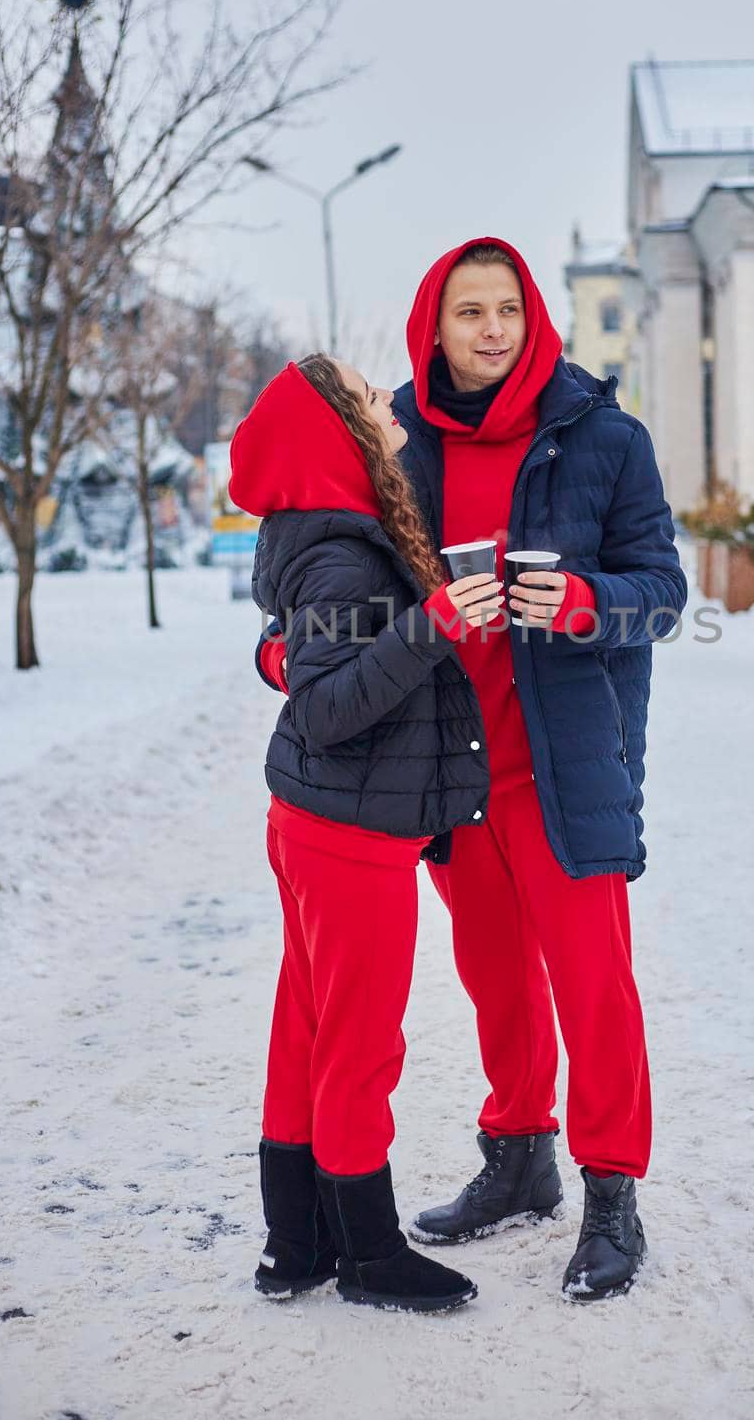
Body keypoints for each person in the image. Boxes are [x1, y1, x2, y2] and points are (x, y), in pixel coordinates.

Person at [259, 237, 687, 1302]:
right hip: (445, 776)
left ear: (533, 318)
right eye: (467, 313)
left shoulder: (603, 437)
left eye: (506, 309)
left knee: (593, 987)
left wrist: (585, 603)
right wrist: (280, 661)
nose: (489, 329)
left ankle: (610, 1192)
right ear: (433, 328)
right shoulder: (395, 445)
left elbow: (663, 589)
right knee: (494, 980)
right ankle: (517, 1153)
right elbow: (314, 588)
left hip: (562, 764)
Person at [228, 352, 508, 1314]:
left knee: (304, 1030)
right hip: (346, 833)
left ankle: (294, 1244)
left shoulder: (331, 529)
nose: (384, 397)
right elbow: (327, 708)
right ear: (335, 433)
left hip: (321, 822)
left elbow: (300, 663)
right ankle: (369, 1254)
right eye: (362, 394)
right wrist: (431, 623)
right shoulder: (342, 551)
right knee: (356, 1045)